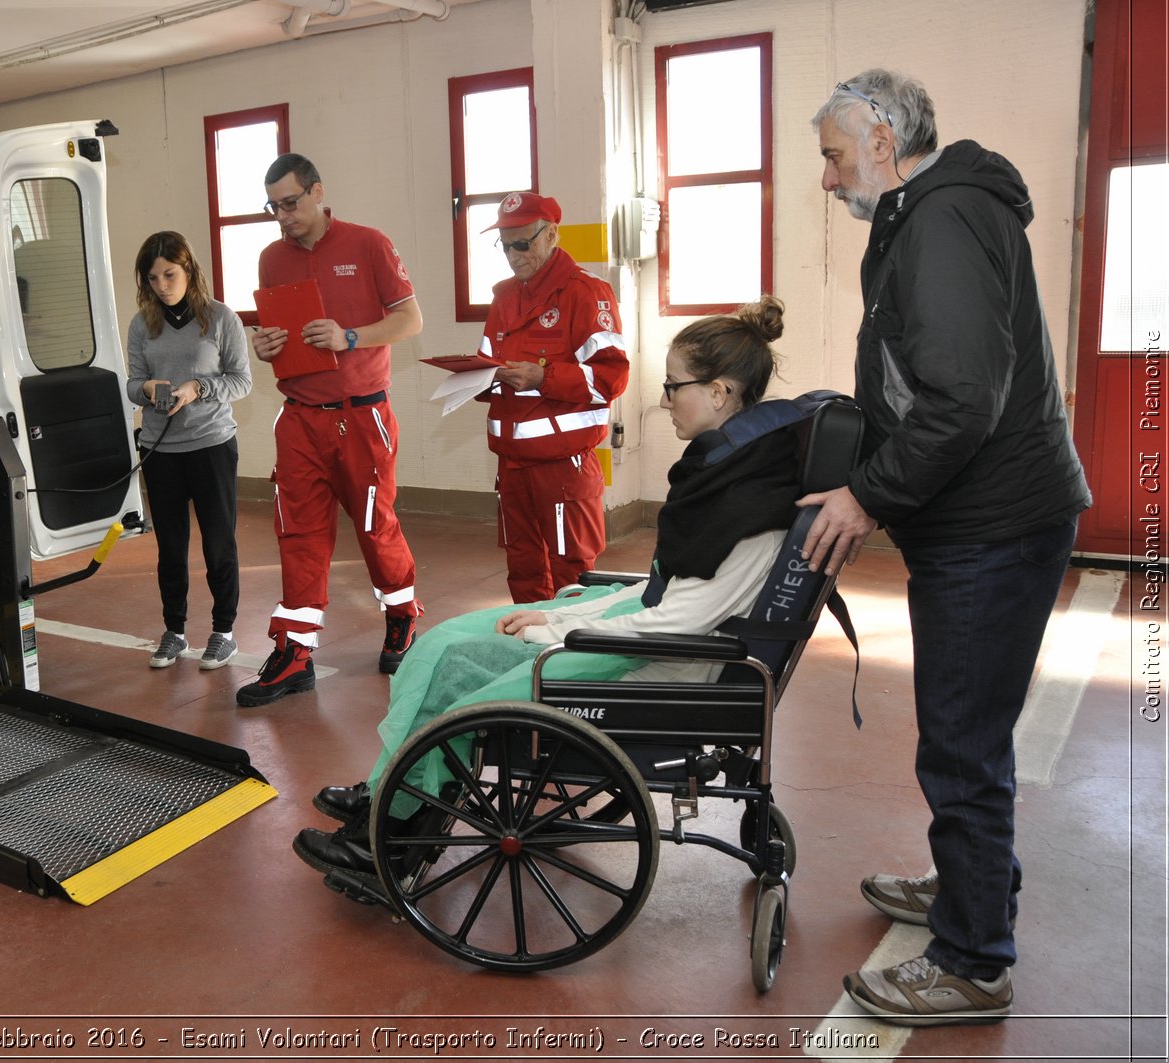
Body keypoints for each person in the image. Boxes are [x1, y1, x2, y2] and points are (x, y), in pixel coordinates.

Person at [294, 296, 798, 871]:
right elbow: (671, 589)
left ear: (719, 392)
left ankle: (397, 828)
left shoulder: (751, 507)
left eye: (673, 385)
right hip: (644, 634)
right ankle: (393, 788)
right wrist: (560, 617)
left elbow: (679, 618)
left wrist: (562, 625)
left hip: (659, 664)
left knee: (459, 677)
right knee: (442, 643)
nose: (662, 400)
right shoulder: (739, 476)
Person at [803, 71, 1091, 1026]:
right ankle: (975, 890)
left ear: (882, 139)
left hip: (990, 528)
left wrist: (866, 494)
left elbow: (962, 399)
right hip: (991, 519)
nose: (828, 176)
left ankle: (972, 959)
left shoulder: (940, 219)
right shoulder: (935, 213)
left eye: (834, 155)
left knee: (961, 741)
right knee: (974, 729)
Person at [237, 153, 425, 708]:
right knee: (297, 534)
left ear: (318, 191)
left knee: (375, 526)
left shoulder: (368, 243)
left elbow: (410, 320)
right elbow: (280, 338)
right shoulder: (272, 258)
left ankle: (401, 617)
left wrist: (350, 336)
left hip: (362, 416)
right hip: (299, 418)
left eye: (291, 203)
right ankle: (294, 653)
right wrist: (264, 346)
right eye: (273, 207)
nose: (283, 216)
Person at [476, 192, 629, 603]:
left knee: (572, 576)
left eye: (522, 243)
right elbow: (488, 360)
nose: (512, 255)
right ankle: (528, 654)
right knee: (522, 566)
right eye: (504, 245)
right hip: (511, 463)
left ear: (552, 236)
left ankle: (573, 661)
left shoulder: (587, 294)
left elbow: (611, 378)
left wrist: (544, 378)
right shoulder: (504, 296)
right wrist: (476, 378)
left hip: (563, 468)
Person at [125, 231, 253, 671]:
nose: (162, 284)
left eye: (170, 274)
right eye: (154, 277)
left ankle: (223, 632)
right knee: (170, 547)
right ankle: (174, 632)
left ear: (189, 270)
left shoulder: (220, 318)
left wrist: (199, 387)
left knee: (219, 543)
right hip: (160, 450)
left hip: (211, 446)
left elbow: (241, 379)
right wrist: (147, 388)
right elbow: (131, 384)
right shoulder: (143, 324)